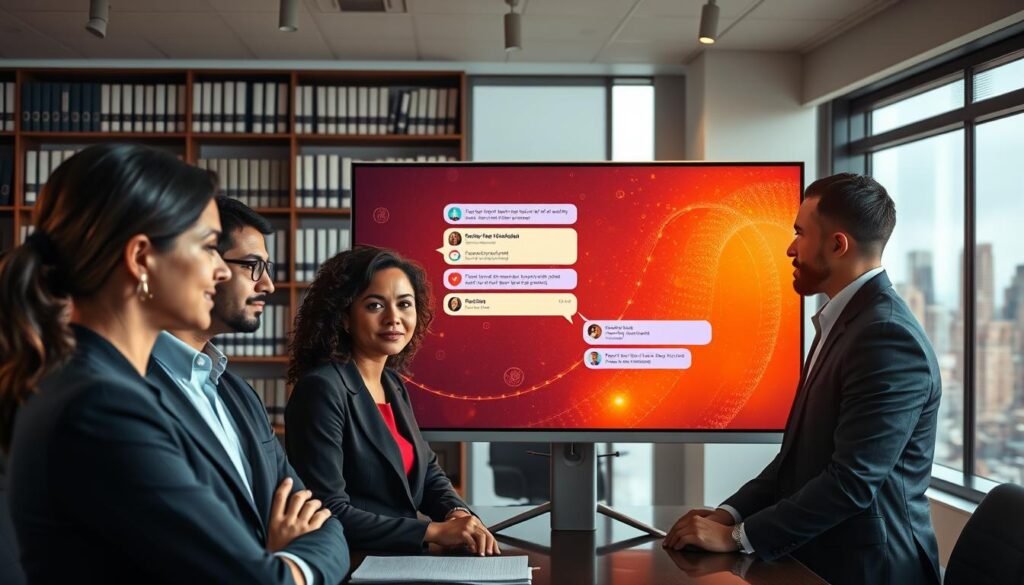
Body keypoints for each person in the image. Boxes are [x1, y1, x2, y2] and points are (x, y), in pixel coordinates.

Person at [0, 144, 346, 585]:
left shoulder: (98, 383)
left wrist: (280, 562)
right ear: (142, 259)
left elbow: (313, 525)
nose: (221, 271)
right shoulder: (101, 403)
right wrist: (287, 566)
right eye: (207, 247)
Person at [663, 173, 941, 585]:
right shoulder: (846, 321)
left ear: (837, 245)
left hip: (868, 571)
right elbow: (797, 462)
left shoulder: (886, 337)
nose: (790, 248)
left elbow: (851, 482)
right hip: (821, 556)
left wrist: (737, 537)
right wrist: (728, 515)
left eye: (800, 233)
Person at [146, 196, 349, 585]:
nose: (268, 285)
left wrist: (288, 568)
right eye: (253, 266)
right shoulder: (129, 390)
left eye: (267, 268)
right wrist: (272, 566)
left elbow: (322, 521)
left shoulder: (238, 393)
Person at [285, 245, 499, 555]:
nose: (393, 318)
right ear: (345, 317)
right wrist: (433, 531)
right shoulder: (321, 389)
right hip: (352, 562)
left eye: (404, 304)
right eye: (375, 305)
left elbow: (428, 472)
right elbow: (327, 510)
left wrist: (456, 513)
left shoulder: (392, 384)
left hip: (400, 559)